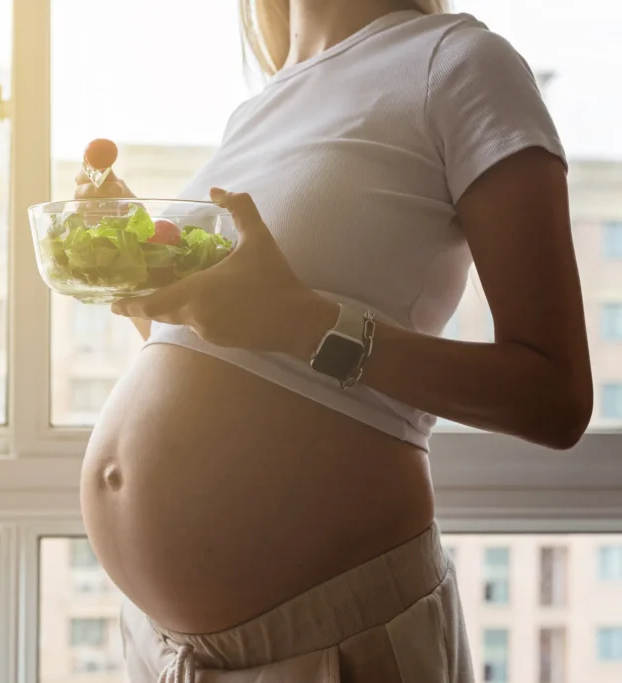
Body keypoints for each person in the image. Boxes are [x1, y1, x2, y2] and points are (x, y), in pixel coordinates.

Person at [73, 0, 593, 681]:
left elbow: (556, 396)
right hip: (162, 648)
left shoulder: (460, 64)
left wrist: (304, 321)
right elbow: (237, 351)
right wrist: (143, 274)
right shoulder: (262, 108)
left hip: (336, 645)